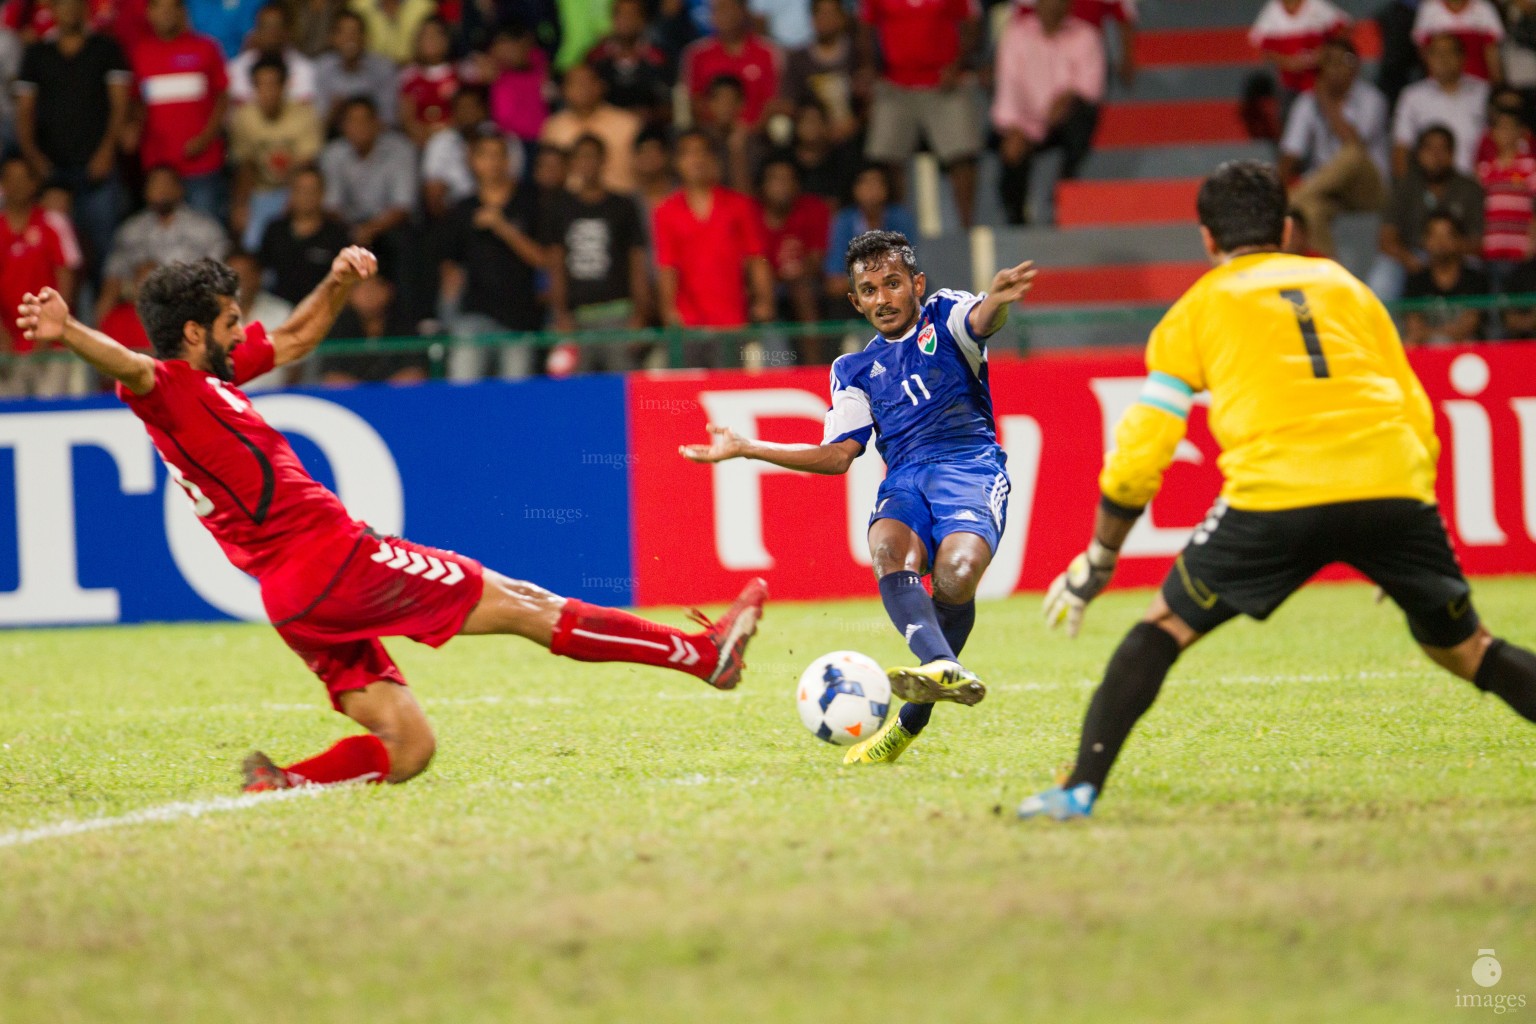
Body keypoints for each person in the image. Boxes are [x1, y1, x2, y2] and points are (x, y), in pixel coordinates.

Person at [14, 249, 768, 792]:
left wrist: (336, 282)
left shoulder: (215, 378)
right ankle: (702, 656)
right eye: (232, 323)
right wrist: (71, 331)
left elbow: (303, 336)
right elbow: (133, 368)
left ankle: (281, 787)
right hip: (334, 561)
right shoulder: (169, 387)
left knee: (408, 747)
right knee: (527, 605)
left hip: (294, 600)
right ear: (191, 334)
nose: (246, 334)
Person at [1018, 160, 1536, 820]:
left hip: (1277, 495)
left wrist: (1100, 555)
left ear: (1207, 239)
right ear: (1288, 229)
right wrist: (1405, 515)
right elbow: (1413, 407)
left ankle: (1078, 789)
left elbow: (1141, 451)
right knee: (1469, 651)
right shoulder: (1348, 288)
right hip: (1392, 486)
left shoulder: (1198, 307)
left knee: (1164, 627)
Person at [682, 230, 1035, 764]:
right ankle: (941, 664)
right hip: (905, 480)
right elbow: (838, 456)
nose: (882, 299)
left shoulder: (946, 314)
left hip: (970, 467)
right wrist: (749, 447)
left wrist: (999, 300)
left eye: (893, 284)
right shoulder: (853, 370)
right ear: (855, 301)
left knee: (957, 577)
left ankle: (908, 722)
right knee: (888, 551)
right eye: (868, 290)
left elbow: (981, 321)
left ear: (916, 284)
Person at [13, 0, 131, 288]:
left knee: (103, 248)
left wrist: (106, 151)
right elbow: (24, 110)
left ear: (86, 9)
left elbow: (120, 104)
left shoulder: (106, 48)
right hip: (52, 171)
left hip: (96, 168)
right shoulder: (37, 53)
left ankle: (100, 322)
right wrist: (34, 157)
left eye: (75, 4)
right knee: (56, 254)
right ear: (51, 11)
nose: (69, 10)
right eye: (62, 5)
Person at [651, 128, 774, 367]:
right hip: (687, 323)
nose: (696, 159)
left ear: (714, 160)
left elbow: (756, 258)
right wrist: (668, 310)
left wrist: (764, 300)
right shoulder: (665, 211)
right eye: (688, 154)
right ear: (677, 162)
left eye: (702, 153)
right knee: (687, 394)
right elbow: (666, 266)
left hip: (732, 321)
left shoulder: (740, 206)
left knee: (730, 391)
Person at [860, 0, 982, 229]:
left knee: (963, 154)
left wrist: (958, 64)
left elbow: (971, 23)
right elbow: (865, 26)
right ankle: (896, 230)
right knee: (885, 157)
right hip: (895, 83)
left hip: (943, 83)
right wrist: (869, 67)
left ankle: (967, 228)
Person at [439, 127, 548, 380]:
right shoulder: (463, 209)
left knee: (516, 397)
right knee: (464, 390)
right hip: (472, 315)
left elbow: (541, 259)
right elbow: (450, 268)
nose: (492, 163)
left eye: (499, 155)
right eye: (485, 155)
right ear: (473, 162)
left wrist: (502, 227)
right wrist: (449, 317)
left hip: (519, 317)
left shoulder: (530, 203)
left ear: (508, 161)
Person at [991, 0, 1105, 226]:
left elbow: (1091, 88)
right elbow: (1008, 88)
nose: (1053, 7)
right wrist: (1014, 128)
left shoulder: (1086, 35)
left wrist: (1066, 96)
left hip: (1064, 121)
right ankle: (1016, 221)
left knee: (1083, 114)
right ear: (1037, 5)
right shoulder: (1016, 34)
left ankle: (1065, 185)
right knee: (1012, 153)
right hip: (1023, 123)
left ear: (1069, 6)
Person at [547, 133, 652, 371]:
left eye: (593, 157)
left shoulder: (623, 205)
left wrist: (640, 312)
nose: (587, 163)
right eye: (581, 158)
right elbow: (555, 262)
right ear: (572, 164)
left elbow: (636, 259)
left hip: (619, 312)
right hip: (576, 317)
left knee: (623, 387)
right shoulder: (559, 207)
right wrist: (561, 313)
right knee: (577, 392)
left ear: (604, 161)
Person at [1279, 37, 1390, 256]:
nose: (1337, 67)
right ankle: (1330, 275)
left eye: (1344, 60)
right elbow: (1291, 155)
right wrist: (1277, 186)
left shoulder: (1372, 99)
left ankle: (1292, 198)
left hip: (1369, 187)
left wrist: (1327, 102)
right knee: (1310, 209)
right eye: (1330, 61)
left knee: (1351, 154)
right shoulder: (1307, 102)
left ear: (1356, 65)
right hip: (1330, 191)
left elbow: (1355, 146)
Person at [128, 0, 229, 221]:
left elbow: (223, 98)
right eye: (159, 8)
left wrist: (206, 138)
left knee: (206, 232)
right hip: (158, 165)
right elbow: (136, 103)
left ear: (181, 12)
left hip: (201, 164)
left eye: (170, 7)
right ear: (150, 14)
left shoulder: (206, 47)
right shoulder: (140, 53)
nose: (165, 13)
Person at [96, 165, 229, 326]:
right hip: (140, 306)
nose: (161, 189)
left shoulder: (206, 228)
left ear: (180, 189)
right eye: (155, 184)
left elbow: (218, 279)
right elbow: (113, 278)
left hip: (191, 306)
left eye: (167, 183)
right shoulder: (131, 230)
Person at [0, 155, 83, 398]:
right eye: (10, 179)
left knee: (52, 409)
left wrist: (50, 329)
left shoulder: (54, 223)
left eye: (23, 178)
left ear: (34, 183)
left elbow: (67, 280)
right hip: (6, 347)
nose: (17, 185)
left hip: (53, 344)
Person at [1370, 124, 1484, 301]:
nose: (1436, 155)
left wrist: (1448, 247)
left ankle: (1473, 325)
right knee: (1382, 278)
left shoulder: (1468, 188)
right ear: (1418, 153)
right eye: (1429, 148)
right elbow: (1386, 238)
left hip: (1458, 257)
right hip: (1413, 255)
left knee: (1477, 269)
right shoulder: (1405, 186)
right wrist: (1407, 258)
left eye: (1442, 148)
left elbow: (1479, 241)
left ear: (1452, 153)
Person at [228, 55, 324, 252]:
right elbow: (246, 166)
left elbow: (306, 166)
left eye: (273, 84)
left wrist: (294, 200)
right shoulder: (243, 117)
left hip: (296, 190)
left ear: (285, 86)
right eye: (261, 85)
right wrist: (241, 205)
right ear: (253, 88)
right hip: (260, 192)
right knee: (252, 242)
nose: (268, 92)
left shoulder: (305, 115)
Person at [1390, 33, 1488, 177]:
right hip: (1430, 184)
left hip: (1477, 182)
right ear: (1427, 58)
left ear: (1463, 57)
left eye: (1450, 52)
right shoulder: (1412, 96)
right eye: (1436, 53)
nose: (1443, 59)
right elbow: (1402, 148)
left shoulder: (1483, 93)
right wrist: (1407, 191)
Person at [539, 62, 643, 194]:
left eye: (588, 81)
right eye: (575, 83)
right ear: (564, 90)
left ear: (601, 86)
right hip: (567, 207)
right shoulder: (554, 126)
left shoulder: (628, 124)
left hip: (621, 204)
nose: (582, 88)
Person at [257, 166, 353, 308]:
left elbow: (345, 280)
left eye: (312, 191)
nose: (306, 196)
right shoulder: (275, 230)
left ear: (322, 193)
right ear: (290, 193)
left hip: (323, 308)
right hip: (279, 309)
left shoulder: (337, 233)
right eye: (300, 190)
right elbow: (261, 270)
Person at [680, 0, 782, 129]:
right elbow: (693, 100)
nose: (725, 16)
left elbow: (773, 101)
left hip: (756, 135)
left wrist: (749, 131)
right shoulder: (696, 54)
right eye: (718, 10)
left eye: (729, 9)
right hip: (709, 134)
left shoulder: (768, 52)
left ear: (743, 12)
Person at [1401, 211, 1489, 344]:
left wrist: (1434, 335)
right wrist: (1435, 337)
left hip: (1465, 351)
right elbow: (1413, 327)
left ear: (1459, 240)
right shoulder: (1416, 280)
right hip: (1427, 348)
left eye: (1447, 236)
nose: (1440, 243)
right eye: (1434, 236)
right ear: (1425, 240)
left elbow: (1468, 327)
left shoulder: (1474, 279)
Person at [583, 0, 672, 128]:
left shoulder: (658, 59)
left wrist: (651, 114)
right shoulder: (596, 57)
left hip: (648, 130)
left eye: (632, 15)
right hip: (604, 128)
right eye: (621, 15)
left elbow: (668, 106)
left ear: (643, 20)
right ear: (612, 19)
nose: (626, 20)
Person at [314, 9, 401, 130]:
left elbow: (389, 119)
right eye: (343, 33)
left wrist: (362, 122)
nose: (349, 38)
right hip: (335, 135)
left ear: (364, 37)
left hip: (376, 136)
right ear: (332, 38)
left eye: (354, 32)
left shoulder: (383, 68)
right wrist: (334, 111)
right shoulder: (322, 67)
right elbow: (319, 123)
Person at [225, 1, 318, 106]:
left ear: (287, 32)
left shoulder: (303, 68)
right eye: (265, 27)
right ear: (256, 31)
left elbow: (302, 108)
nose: (271, 33)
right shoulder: (237, 68)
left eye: (276, 27)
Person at [398, 15, 460, 148]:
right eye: (425, 36)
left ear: (446, 40)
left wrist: (441, 133)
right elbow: (406, 118)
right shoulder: (409, 75)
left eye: (435, 35)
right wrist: (422, 135)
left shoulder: (459, 73)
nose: (430, 40)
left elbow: (462, 114)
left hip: (451, 140)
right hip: (417, 141)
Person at [1411, 0, 1503, 83]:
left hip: (1477, 77)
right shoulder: (1430, 7)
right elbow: (1423, 49)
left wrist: (1497, 81)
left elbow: (1491, 51)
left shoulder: (1483, 8)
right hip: (1439, 79)